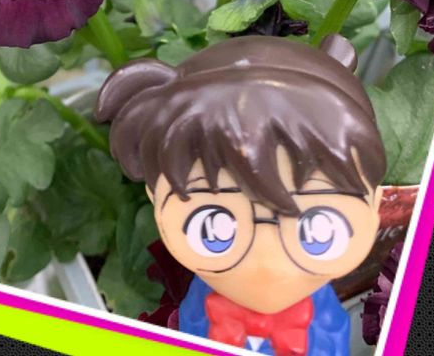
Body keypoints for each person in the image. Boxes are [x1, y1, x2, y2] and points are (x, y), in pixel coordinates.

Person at [95, 33, 386, 355]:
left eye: (318, 230)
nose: (267, 264)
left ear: (374, 205)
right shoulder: (199, 309)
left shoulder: (325, 322)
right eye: (214, 228)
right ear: (155, 198)